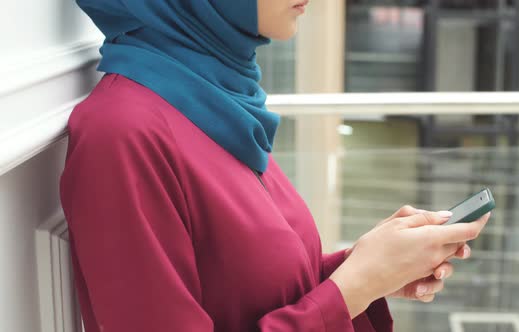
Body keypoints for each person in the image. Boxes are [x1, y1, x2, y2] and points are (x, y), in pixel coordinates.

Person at [58, 0, 490, 331]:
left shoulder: (216, 98)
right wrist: (352, 288)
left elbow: (241, 293)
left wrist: (370, 269)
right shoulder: (122, 134)